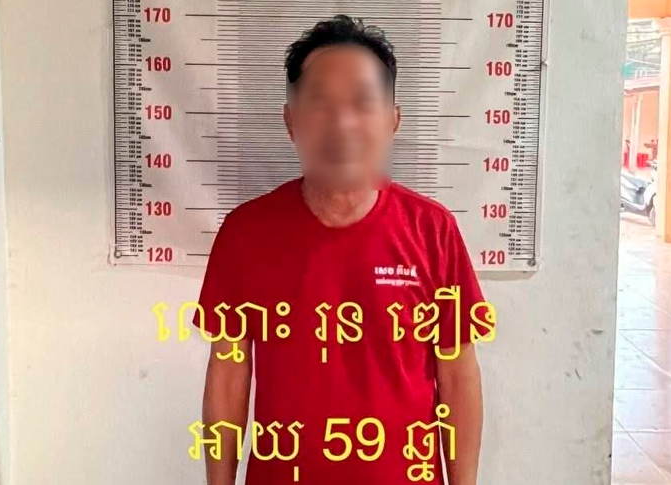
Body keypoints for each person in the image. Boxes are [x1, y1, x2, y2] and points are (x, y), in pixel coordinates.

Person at [193, 14, 486, 485]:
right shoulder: (244, 234)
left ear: (392, 120)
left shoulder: (433, 231)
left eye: (362, 102)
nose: (342, 122)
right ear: (291, 122)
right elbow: (228, 373)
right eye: (320, 102)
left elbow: (457, 375)